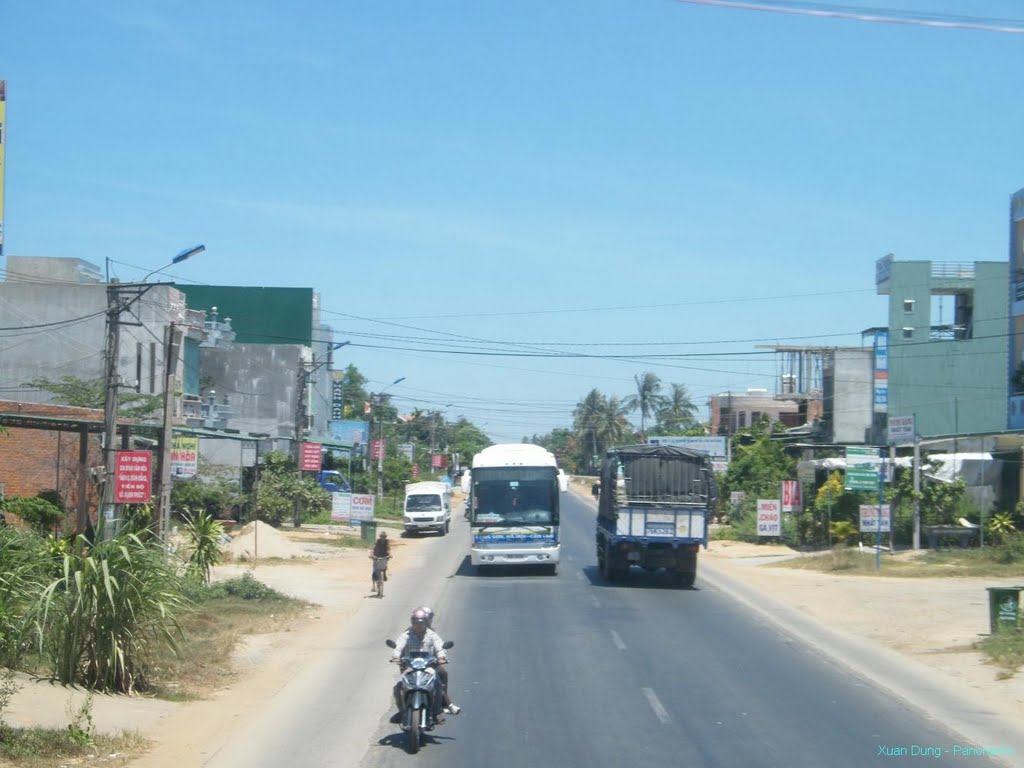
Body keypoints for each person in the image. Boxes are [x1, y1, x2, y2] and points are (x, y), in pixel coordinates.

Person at [390, 608, 459, 722]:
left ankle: (436, 712)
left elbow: (440, 647)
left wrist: (441, 657)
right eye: (415, 622)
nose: (418, 625)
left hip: (428, 668)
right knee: (397, 688)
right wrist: (395, 656)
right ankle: (402, 712)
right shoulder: (406, 635)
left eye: (421, 622)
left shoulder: (432, 635)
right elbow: (398, 647)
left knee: (437, 686)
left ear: (425, 622)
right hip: (410, 668)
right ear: (412, 622)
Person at [416, 606, 459, 714]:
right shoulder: (409, 632)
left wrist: (441, 657)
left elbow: (439, 647)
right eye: (429, 618)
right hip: (413, 664)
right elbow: (401, 648)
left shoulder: (432, 632)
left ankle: (443, 704)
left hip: (429, 662)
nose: (430, 620)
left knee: (441, 675)